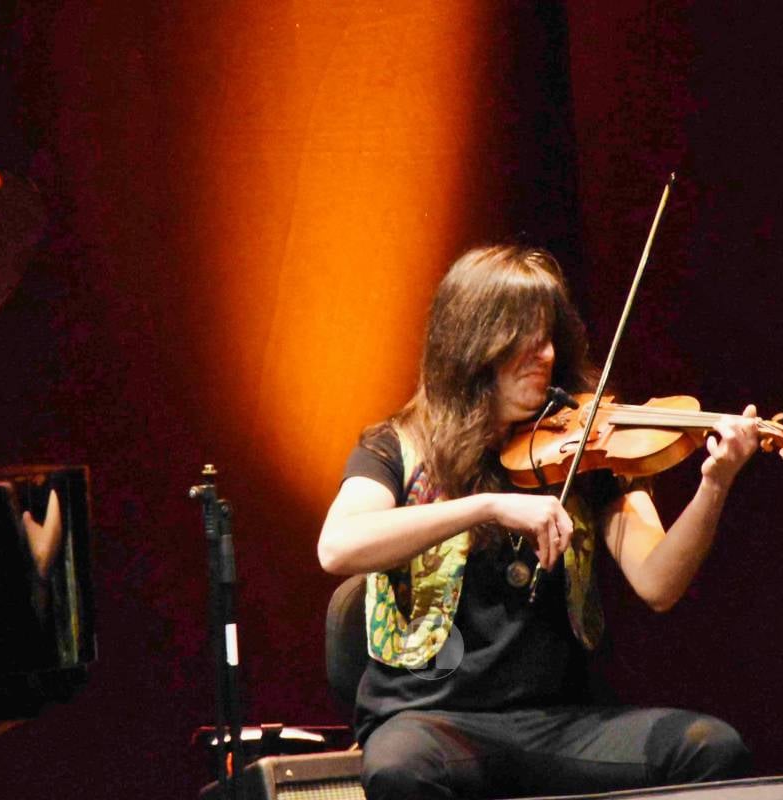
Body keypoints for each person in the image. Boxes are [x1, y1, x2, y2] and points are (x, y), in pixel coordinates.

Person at [318, 244, 759, 799]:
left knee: (710, 747)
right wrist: (487, 506)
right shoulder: (398, 445)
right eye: (523, 338)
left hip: (562, 722)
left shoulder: (586, 446)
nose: (545, 354)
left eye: (549, 336)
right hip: (434, 721)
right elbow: (338, 546)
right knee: (400, 769)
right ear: (472, 344)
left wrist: (714, 486)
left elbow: (659, 581)